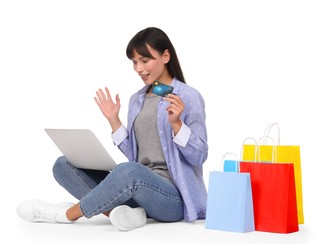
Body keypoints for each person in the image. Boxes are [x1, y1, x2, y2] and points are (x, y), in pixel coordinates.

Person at [17, 27, 208, 231]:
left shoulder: (188, 97)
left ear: (166, 56)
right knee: (63, 165)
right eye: (134, 62)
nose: (138, 68)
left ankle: (67, 214)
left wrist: (177, 124)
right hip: (137, 188)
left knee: (128, 171)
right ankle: (124, 213)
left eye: (145, 60)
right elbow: (135, 155)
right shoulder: (137, 100)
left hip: (172, 199)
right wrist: (113, 120)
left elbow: (200, 156)